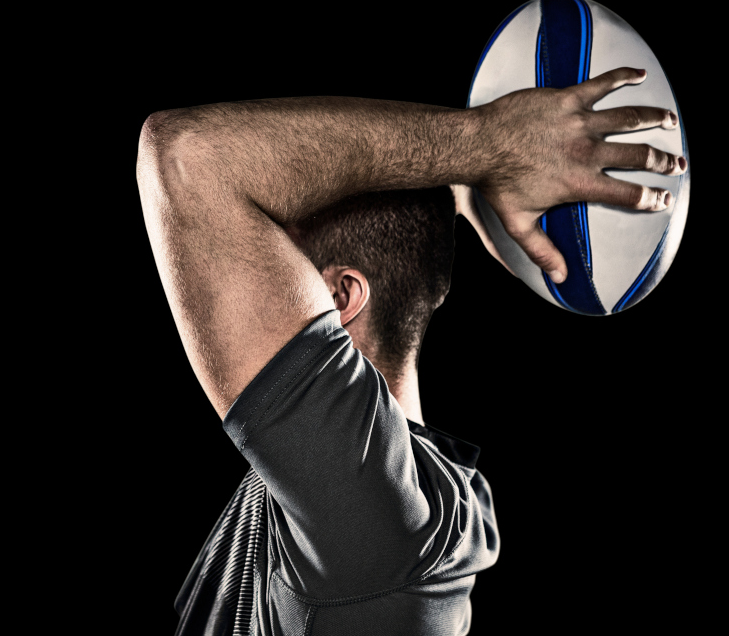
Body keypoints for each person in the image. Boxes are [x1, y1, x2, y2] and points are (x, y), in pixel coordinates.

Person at [135, 68, 685, 635]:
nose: (224, 273)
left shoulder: (372, 510)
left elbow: (186, 156)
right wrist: (461, 190)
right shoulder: (362, 488)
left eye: (272, 257)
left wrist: (488, 144)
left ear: (338, 297)